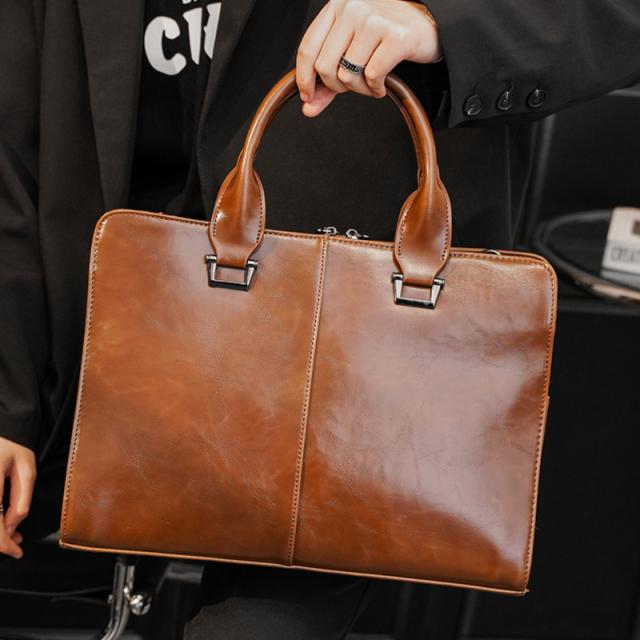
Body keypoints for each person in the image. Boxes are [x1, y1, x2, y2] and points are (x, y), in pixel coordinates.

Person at [1, 0, 639, 637]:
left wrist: (445, 23)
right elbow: (14, 148)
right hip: (96, 363)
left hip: (343, 380)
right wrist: (7, 403)